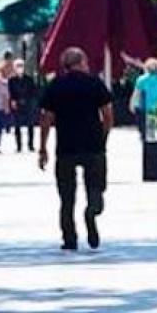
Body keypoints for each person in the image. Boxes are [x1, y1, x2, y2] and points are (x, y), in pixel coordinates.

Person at [38, 47, 113, 251]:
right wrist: (103, 137)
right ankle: (92, 211)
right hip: (93, 145)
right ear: (81, 63)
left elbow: (47, 119)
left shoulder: (57, 85)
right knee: (96, 187)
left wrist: (42, 148)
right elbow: (107, 115)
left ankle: (69, 237)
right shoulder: (94, 83)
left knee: (66, 196)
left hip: (66, 147)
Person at [128, 57, 157, 140]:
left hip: (144, 109)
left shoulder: (141, 79)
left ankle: (149, 149)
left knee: (147, 134)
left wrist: (131, 105)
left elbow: (136, 94)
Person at [8, 59, 39, 153]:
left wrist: (31, 101)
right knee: (17, 126)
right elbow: (10, 92)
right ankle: (19, 146)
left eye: (21, 66)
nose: (20, 68)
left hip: (28, 104)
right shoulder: (12, 80)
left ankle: (30, 145)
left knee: (30, 125)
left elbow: (33, 91)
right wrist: (13, 101)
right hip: (17, 104)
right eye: (17, 66)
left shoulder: (29, 79)